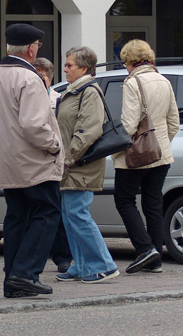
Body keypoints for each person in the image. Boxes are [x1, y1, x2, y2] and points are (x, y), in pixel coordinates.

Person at [0, 23, 64, 299]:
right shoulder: (29, 79)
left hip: (8, 160)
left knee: (17, 216)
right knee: (47, 213)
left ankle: (13, 278)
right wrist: (54, 146)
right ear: (31, 48)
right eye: (37, 46)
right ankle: (25, 273)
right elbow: (34, 125)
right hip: (34, 161)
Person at [112, 39, 179, 274]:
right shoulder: (164, 80)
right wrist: (161, 143)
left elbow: (129, 123)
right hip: (161, 154)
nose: (125, 67)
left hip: (137, 154)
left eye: (124, 62)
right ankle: (156, 258)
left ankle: (144, 249)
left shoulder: (133, 82)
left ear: (130, 61)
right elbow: (174, 122)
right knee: (153, 202)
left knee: (124, 200)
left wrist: (116, 149)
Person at [54, 46, 119, 284]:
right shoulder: (72, 92)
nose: (65, 69)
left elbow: (88, 130)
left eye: (70, 65)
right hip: (71, 164)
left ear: (84, 68)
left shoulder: (89, 92)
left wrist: (69, 158)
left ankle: (103, 265)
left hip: (80, 163)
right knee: (70, 215)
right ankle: (82, 266)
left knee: (77, 214)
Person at [33, 57, 72, 274]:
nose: (40, 81)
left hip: (55, 159)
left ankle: (63, 256)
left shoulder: (59, 100)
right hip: (34, 162)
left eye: (43, 77)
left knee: (57, 210)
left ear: (50, 79)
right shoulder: (28, 99)